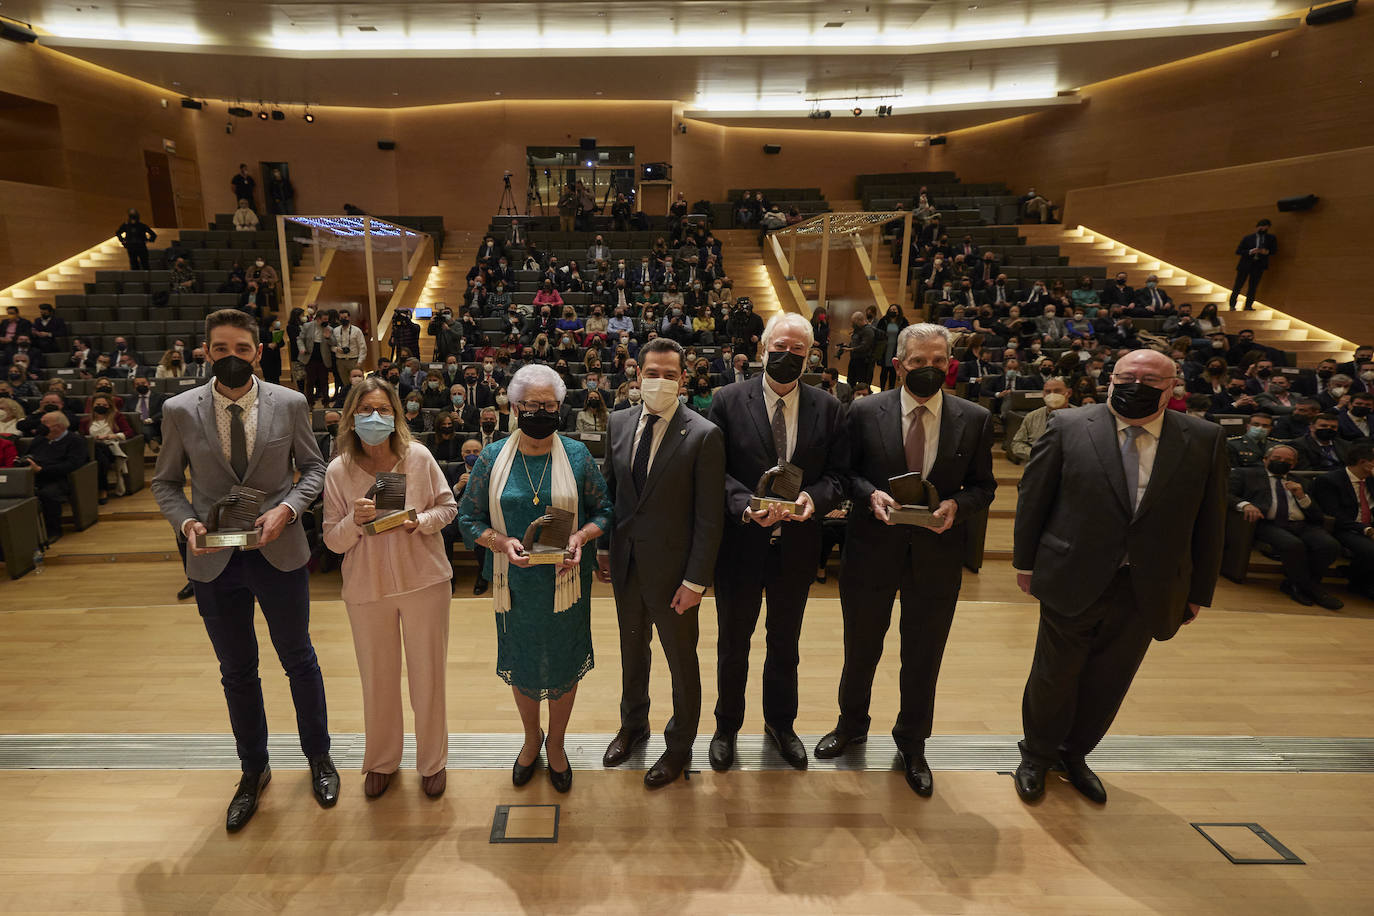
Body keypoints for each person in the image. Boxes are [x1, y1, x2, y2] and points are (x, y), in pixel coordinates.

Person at [1012, 348, 1228, 805]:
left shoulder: (1204, 438)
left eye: (1151, 381)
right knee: (1055, 674)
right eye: (1128, 377)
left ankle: (1075, 754)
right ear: (1109, 380)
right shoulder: (1069, 426)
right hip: (1072, 572)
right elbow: (1035, 497)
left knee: (1110, 677)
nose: (1137, 387)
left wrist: (1199, 592)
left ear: (1172, 389)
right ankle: (1036, 754)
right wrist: (1025, 563)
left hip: (1149, 584)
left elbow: (1210, 521)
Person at [151, 309, 337, 832]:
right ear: (206, 352)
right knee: (237, 670)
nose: (231, 357)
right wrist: (186, 523)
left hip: (279, 550)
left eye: (241, 349)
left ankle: (319, 758)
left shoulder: (292, 403)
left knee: (298, 659)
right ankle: (253, 770)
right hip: (213, 559)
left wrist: (289, 509)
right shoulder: (180, 409)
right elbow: (165, 482)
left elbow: (315, 467)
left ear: (258, 352)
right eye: (220, 349)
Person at [817, 323, 996, 797]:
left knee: (923, 657)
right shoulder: (861, 411)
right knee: (861, 649)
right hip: (872, 550)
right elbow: (846, 473)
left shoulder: (975, 418)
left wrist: (958, 507)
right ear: (898, 365)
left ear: (949, 364)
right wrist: (868, 496)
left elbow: (984, 486)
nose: (930, 369)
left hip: (936, 557)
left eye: (939, 361)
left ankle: (913, 743)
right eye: (919, 362)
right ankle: (851, 725)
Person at [458, 364, 613, 793]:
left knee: (563, 663)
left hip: (566, 585)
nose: (539, 411)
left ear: (560, 408)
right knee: (524, 664)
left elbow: (605, 511)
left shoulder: (578, 456)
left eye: (548, 405)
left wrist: (582, 535)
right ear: (515, 406)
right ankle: (532, 740)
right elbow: (468, 519)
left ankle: (558, 744)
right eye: (531, 404)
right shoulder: (492, 458)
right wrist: (501, 542)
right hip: (517, 586)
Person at [705, 314, 848, 772]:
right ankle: (726, 726)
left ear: (810, 355)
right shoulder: (727, 400)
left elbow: (839, 476)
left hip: (797, 545)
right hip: (741, 541)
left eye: (798, 351)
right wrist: (745, 504)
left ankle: (780, 725)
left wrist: (814, 498)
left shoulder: (828, 406)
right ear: (764, 348)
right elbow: (714, 471)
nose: (788, 357)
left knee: (785, 643)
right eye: (780, 347)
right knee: (734, 642)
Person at [322, 377, 458, 799]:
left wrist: (421, 521)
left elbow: (448, 506)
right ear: (351, 417)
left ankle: (433, 761)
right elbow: (332, 539)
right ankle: (382, 760)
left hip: (424, 581)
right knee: (377, 679)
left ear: (397, 415)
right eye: (366, 411)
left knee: (427, 677)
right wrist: (355, 522)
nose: (375, 418)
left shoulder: (418, 457)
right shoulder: (338, 470)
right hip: (367, 588)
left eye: (383, 410)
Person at [599, 338, 725, 788]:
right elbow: (610, 496)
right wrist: (601, 550)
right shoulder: (617, 423)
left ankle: (679, 747)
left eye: (669, 375)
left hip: (676, 576)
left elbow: (710, 519)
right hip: (626, 566)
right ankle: (634, 726)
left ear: (683, 380)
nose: (659, 381)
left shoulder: (704, 434)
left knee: (680, 662)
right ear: (637, 376)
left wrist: (696, 581)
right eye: (651, 373)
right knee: (632, 654)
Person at [1230, 442, 1344, 610]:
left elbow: (1317, 515)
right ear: (1265, 459)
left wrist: (1301, 496)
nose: (1282, 461)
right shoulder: (1246, 474)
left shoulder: (1302, 482)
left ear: (1294, 464)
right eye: (1277, 458)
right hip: (1267, 523)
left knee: (1330, 546)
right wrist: (1245, 504)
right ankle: (1313, 590)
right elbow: (1225, 493)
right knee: (1292, 545)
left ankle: (1295, 584)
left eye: (1287, 460)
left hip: (1301, 524)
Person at [1311, 444, 1374, 601]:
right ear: (1363, 462)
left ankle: (1354, 573)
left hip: (1368, 526)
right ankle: (1359, 583)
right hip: (1344, 527)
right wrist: (1366, 529)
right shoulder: (1329, 480)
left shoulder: (1371, 480)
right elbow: (1334, 515)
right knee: (1370, 550)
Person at [23, 410, 87, 543]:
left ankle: (54, 530)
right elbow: (30, 454)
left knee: (47, 494)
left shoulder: (75, 440)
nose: (41, 425)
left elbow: (72, 464)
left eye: (45, 423)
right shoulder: (40, 439)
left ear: (58, 426)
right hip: (35, 476)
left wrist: (42, 470)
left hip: (61, 478)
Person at [80, 393, 133, 503]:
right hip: (92, 450)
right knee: (98, 454)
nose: (101, 406)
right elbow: (82, 437)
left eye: (104, 404)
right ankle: (101, 489)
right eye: (98, 404)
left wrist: (110, 436)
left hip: (111, 448)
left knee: (100, 452)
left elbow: (129, 433)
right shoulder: (85, 421)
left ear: (109, 405)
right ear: (92, 405)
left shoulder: (117, 417)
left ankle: (102, 489)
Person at [1009, 376, 1071, 463]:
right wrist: (1037, 455)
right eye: (1048, 391)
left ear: (1069, 393)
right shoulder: (1032, 417)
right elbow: (1017, 444)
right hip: (1039, 465)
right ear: (1043, 394)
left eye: (1057, 391)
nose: (1052, 394)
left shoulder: (1082, 417)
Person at [1230, 218, 1277, 311]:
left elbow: (1274, 250)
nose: (1263, 230)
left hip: (1259, 265)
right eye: (1261, 227)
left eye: (1265, 228)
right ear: (1257, 227)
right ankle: (1232, 304)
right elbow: (1238, 251)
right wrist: (1251, 251)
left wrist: (1266, 251)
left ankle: (1248, 306)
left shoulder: (1271, 238)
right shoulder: (1248, 238)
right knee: (1238, 285)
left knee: (1253, 287)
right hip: (1245, 264)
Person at [838, 311, 876, 393]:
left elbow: (865, 346)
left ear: (859, 320)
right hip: (854, 359)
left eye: (853, 322)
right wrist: (847, 347)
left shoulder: (868, 331)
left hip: (863, 361)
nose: (852, 324)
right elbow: (855, 343)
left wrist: (850, 349)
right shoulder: (857, 330)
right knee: (850, 381)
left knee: (862, 384)